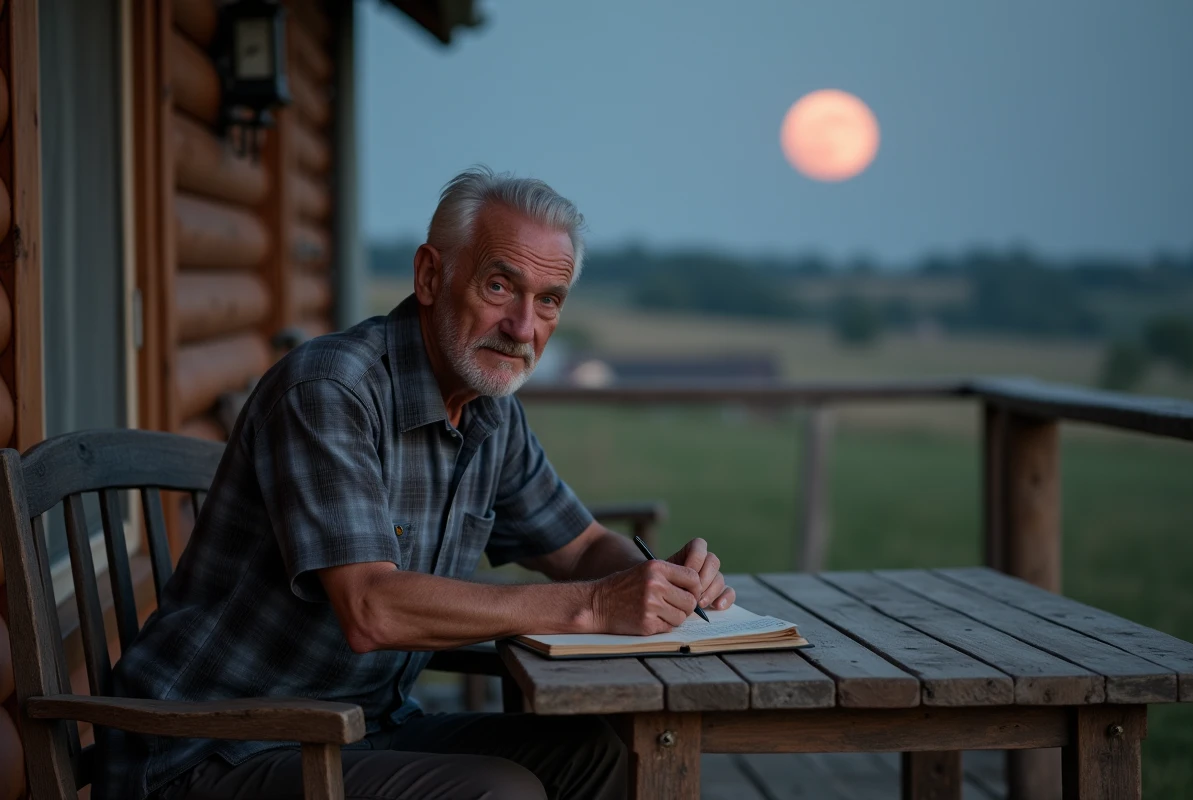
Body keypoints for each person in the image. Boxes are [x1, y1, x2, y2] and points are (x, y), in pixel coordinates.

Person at [97, 167, 735, 800]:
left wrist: (659, 581)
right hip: (207, 749)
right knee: (500, 793)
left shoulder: (491, 412)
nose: (523, 327)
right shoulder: (331, 390)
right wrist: (594, 605)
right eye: (499, 286)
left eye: (548, 300)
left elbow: (584, 548)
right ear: (430, 276)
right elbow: (370, 609)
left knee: (600, 756)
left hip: (365, 728)